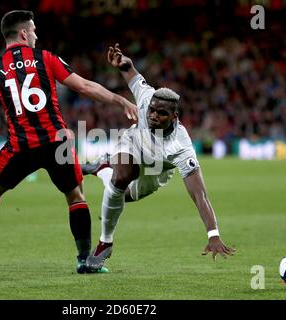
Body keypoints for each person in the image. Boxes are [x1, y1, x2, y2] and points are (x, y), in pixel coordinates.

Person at [0, 11, 138, 274]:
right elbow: (84, 87)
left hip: (21, 145)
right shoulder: (46, 58)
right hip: (57, 141)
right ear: (23, 33)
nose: (35, 35)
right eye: (33, 30)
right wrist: (121, 100)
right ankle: (85, 260)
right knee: (75, 195)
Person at [83, 44, 235, 270]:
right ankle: (105, 242)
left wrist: (213, 234)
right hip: (133, 144)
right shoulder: (146, 98)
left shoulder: (181, 148)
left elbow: (200, 195)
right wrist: (124, 64)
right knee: (122, 177)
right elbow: (131, 72)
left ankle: (103, 168)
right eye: (152, 110)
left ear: (174, 117)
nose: (153, 115)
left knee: (121, 195)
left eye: (161, 113)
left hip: (156, 171)